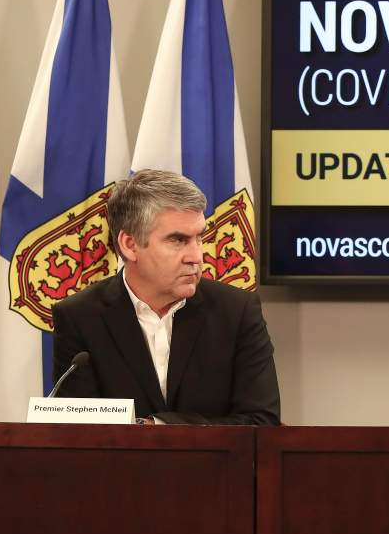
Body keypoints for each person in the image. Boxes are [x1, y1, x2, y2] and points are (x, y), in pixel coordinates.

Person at [52, 170, 280, 425]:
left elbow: (262, 421)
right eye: (178, 240)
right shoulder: (80, 317)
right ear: (129, 244)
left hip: (217, 465)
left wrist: (156, 427)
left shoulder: (237, 311)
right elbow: (75, 429)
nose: (196, 256)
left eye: (199, 237)